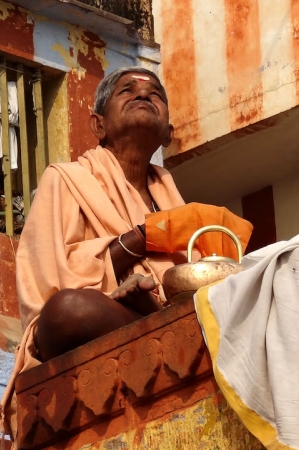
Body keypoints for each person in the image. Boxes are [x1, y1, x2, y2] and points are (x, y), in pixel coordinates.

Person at [17, 66, 189, 364]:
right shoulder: (66, 178)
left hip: (171, 320)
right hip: (103, 318)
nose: (144, 94)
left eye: (155, 94)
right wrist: (144, 238)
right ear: (99, 125)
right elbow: (53, 278)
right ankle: (152, 319)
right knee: (67, 310)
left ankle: (155, 317)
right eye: (127, 91)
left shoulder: (176, 203)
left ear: (167, 135)